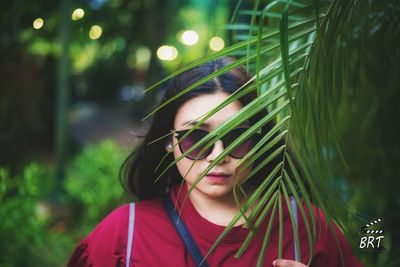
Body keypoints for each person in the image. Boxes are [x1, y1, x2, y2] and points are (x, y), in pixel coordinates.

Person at [67, 57, 363, 267]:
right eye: (196, 137)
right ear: (169, 141)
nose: (217, 155)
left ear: (260, 140)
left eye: (237, 137)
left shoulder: (308, 228)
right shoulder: (123, 236)